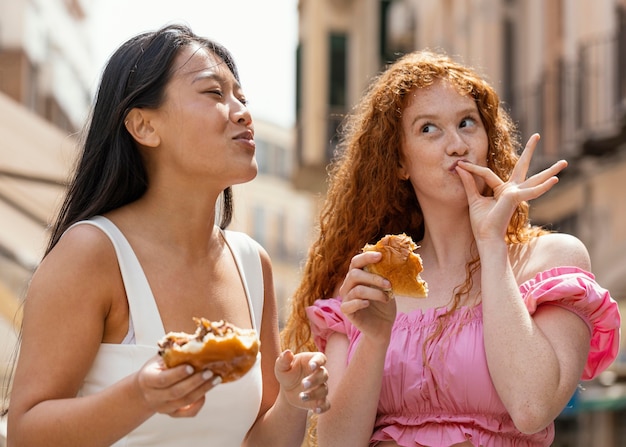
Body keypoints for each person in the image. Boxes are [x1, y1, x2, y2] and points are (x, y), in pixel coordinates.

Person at [5, 23, 330, 447]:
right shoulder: (92, 253)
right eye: (214, 93)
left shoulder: (252, 264)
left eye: (242, 98)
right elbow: (25, 435)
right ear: (143, 126)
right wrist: (141, 394)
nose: (242, 111)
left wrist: (292, 400)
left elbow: (259, 441)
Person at [281, 50, 621, 447]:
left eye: (466, 123)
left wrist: (491, 243)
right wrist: (375, 338)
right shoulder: (369, 280)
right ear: (399, 162)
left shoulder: (552, 260)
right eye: (429, 129)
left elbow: (531, 407)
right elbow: (337, 443)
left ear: (487, 140)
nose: (457, 145)